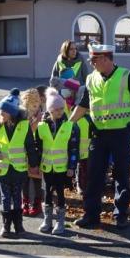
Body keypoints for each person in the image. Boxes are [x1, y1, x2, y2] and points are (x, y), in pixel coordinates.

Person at [70, 43, 130, 229]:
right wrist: (67, 124)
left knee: (121, 174)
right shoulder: (91, 79)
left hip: (120, 134)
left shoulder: (126, 76)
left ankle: (120, 215)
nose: (92, 64)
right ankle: (91, 215)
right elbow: (83, 105)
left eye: (94, 60)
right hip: (98, 135)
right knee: (94, 175)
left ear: (105, 59)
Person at [0, 88, 41, 238]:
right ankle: (6, 226)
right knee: (5, 197)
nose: (0, 114)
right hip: (3, 169)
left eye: (4, 111)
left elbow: (31, 146)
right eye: (0, 111)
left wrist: (33, 164)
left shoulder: (24, 126)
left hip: (18, 169)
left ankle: (18, 225)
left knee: (16, 197)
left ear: (11, 113)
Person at [36, 87, 80, 235]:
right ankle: (47, 220)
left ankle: (60, 222)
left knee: (60, 193)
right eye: (56, 109)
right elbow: (38, 147)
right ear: (49, 110)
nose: (60, 112)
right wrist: (36, 164)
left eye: (62, 108)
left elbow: (74, 148)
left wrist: (72, 166)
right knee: (47, 193)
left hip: (62, 167)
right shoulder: (42, 126)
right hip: (47, 167)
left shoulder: (69, 126)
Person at [60, 77, 91, 196]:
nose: (66, 90)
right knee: (69, 164)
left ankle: (80, 185)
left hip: (82, 143)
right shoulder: (63, 103)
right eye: (65, 88)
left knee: (82, 166)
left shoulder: (78, 104)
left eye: (69, 89)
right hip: (68, 138)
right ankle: (69, 184)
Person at [20, 87, 45, 217]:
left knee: (36, 178)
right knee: (25, 178)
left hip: (38, 150)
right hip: (25, 151)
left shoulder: (42, 115)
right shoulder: (23, 116)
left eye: (36, 104)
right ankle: (25, 202)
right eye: (30, 105)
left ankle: (36, 204)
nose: (34, 108)